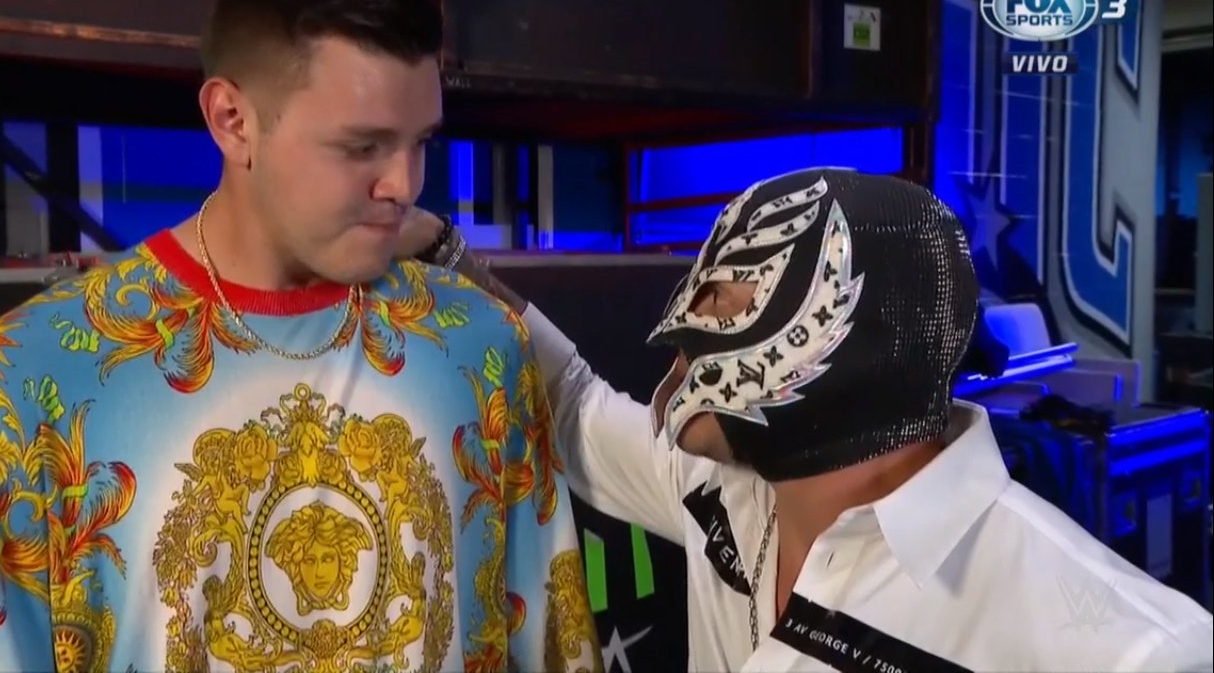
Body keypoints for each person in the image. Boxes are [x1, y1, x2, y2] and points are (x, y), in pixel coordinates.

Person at [0, 0, 601, 673]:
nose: (404, 184)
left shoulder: (479, 347)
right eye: (362, 146)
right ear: (232, 121)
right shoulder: (34, 376)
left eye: (421, 142)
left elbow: (552, 645)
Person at [401, 167, 1214, 672]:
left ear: (852, 333)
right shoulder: (720, 489)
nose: (685, 324)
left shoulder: (1128, 650)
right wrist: (442, 250)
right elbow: (574, 402)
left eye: (729, 298)